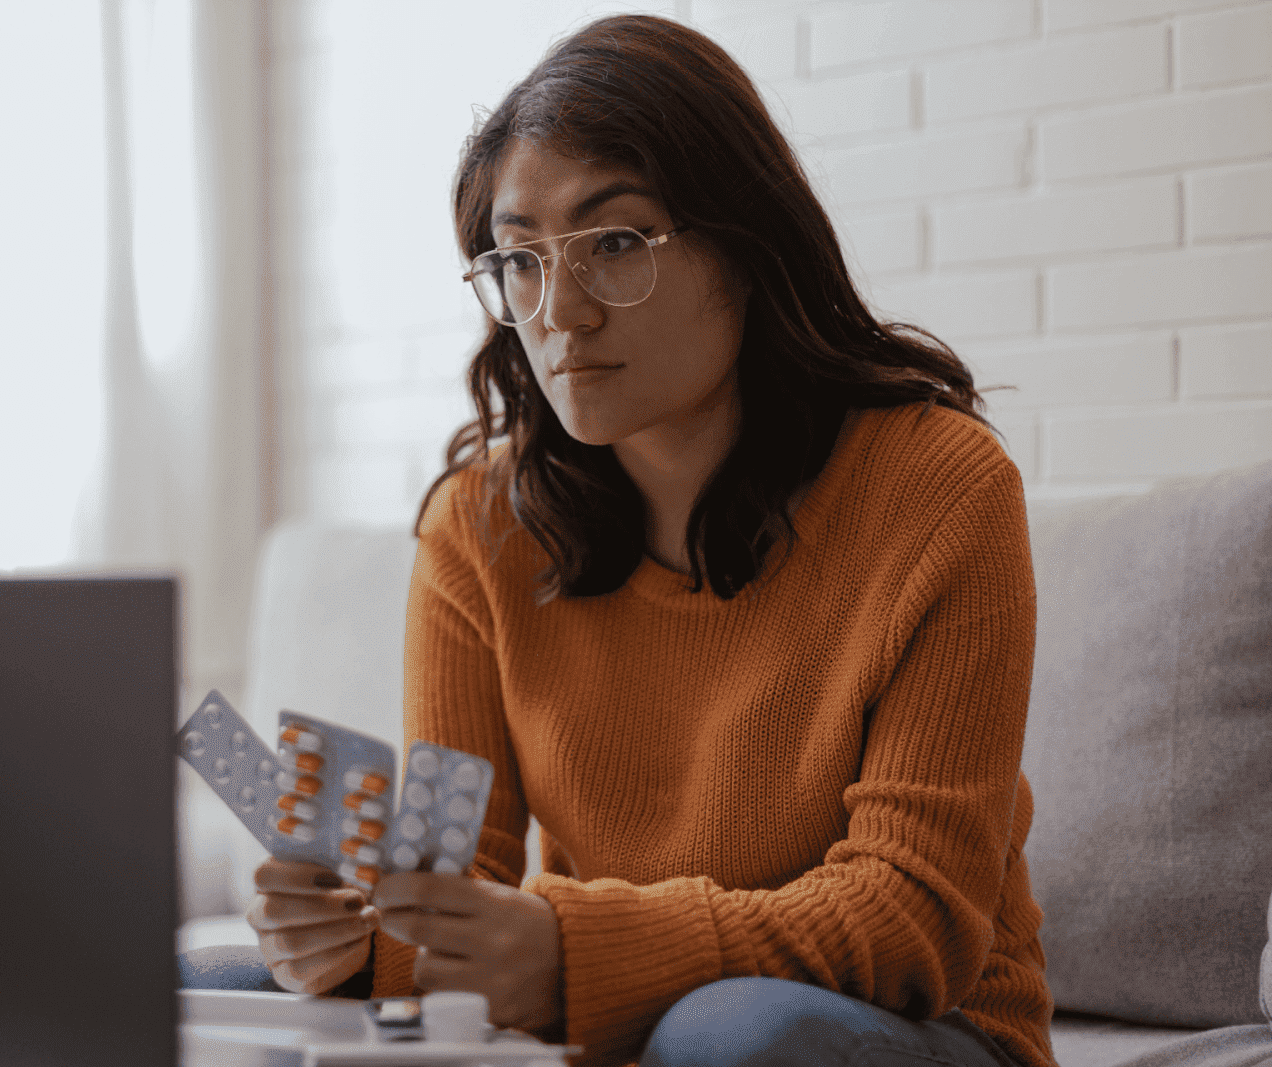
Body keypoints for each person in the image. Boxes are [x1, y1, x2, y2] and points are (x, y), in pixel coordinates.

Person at [183, 14, 1054, 1067]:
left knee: (730, 1031)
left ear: (743, 248)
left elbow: (911, 916)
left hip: (915, 1026)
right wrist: (352, 940)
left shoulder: (938, 486)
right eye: (519, 259)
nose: (560, 312)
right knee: (189, 982)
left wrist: (568, 950)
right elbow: (462, 886)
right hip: (617, 1019)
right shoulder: (477, 525)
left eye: (614, 242)